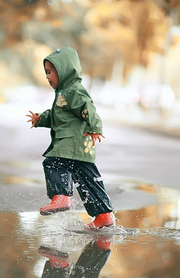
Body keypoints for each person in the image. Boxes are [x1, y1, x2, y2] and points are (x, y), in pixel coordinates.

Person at [26, 47, 114, 229]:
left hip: (71, 144)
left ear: (64, 71)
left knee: (53, 163)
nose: (47, 77)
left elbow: (88, 108)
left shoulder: (73, 91)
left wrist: (95, 127)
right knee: (88, 180)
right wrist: (40, 118)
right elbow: (57, 116)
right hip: (80, 149)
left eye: (50, 72)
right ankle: (103, 217)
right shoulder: (63, 93)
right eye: (46, 73)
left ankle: (61, 197)